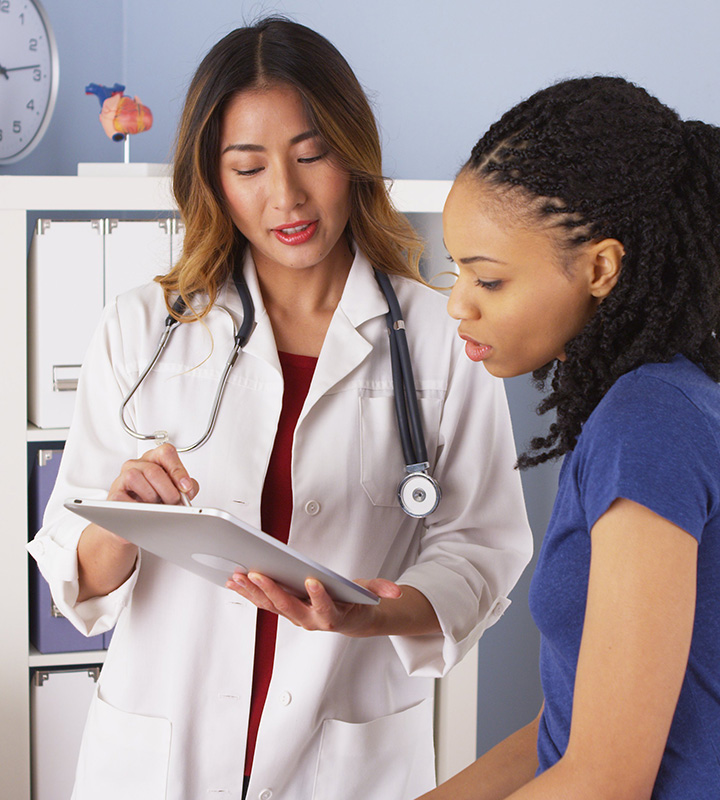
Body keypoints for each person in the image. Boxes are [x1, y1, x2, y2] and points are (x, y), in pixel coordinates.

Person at [28, 17, 532, 800]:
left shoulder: (439, 337)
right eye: (249, 166)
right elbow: (76, 575)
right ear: (213, 178)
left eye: (311, 155)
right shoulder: (141, 329)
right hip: (161, 758)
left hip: (346, 758)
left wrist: (375, 615)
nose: (286, 196)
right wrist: (119, 520)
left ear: (353, 155)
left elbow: (483, 546)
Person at [422, 76, 720, 799]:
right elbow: (565, 733)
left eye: (488, 281)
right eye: (456, 269)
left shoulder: (651, 419)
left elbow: (605, 779)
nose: (458, 303)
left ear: (600, 267)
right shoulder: (637, 410)